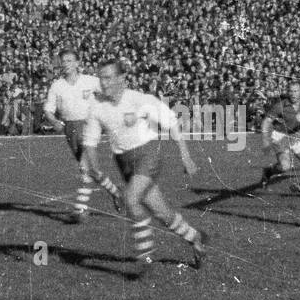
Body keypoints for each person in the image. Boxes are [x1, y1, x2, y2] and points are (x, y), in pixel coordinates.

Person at [81, 59, 208, 275]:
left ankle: (144, 257)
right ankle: (195, 238)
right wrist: (94, 167)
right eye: (101, 78)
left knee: (131, 199)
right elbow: (90, 141)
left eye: (109, 77)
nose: (104, 83)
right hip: (123, 162)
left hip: (148, 154)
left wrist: (185, 157)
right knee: (161, 212)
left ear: (122, 78)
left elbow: (171, 123)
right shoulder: (97, 107)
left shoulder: (139, 100)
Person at [43, 49, 122, 222]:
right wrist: (53, 120)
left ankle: (80, 211)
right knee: (91, 170)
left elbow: (112, 90)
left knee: (84, 168)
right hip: (70, 128)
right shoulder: (57, 85)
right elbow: (48, 109)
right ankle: (116, 193)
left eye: (70, 60)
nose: (66, 64)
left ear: (78, 63)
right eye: (64, 61)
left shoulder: (90, 80)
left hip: (89, 125)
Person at [258, 81, 300, 188]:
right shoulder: (280, 106)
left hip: (295, 136)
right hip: (280, 136)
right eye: (290, 91)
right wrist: (265, 139)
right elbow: (266, 121)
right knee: (285, 167)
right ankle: (268, 172)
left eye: (295, 91)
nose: (293, 94)